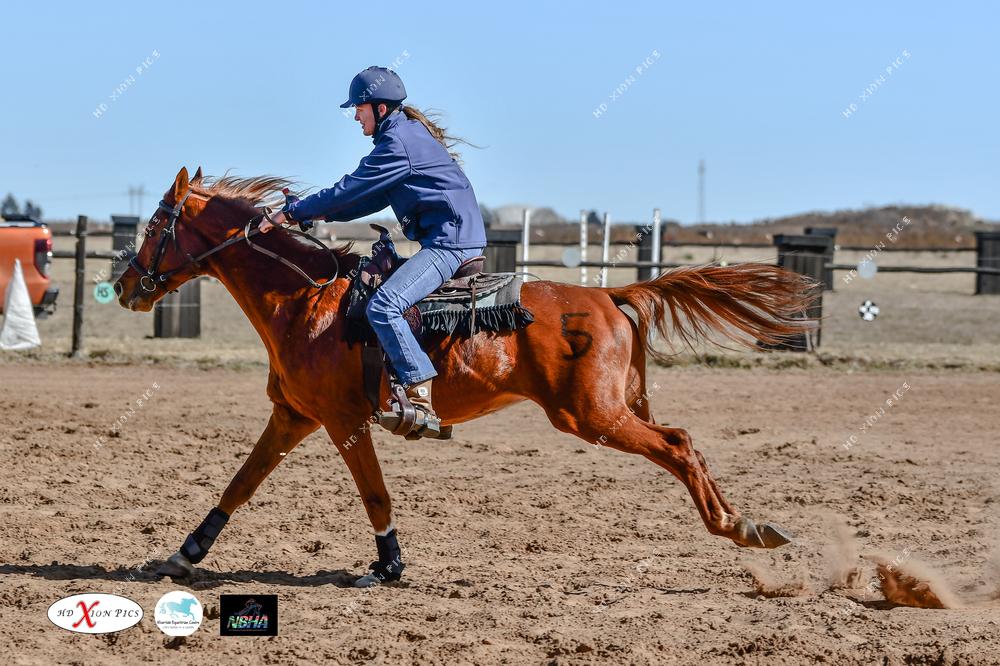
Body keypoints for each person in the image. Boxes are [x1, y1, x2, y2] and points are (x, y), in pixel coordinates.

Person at [260, 66, 487, 439]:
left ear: (380, 109)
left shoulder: (397, 145)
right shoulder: (403, 138)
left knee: (384, 306)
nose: (355, 116)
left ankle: (420, 398)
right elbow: (362, 199)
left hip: (451, 245)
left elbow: (348, 189)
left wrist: (291, 212)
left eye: (359, 108)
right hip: (450, 239)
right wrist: (307, 212)